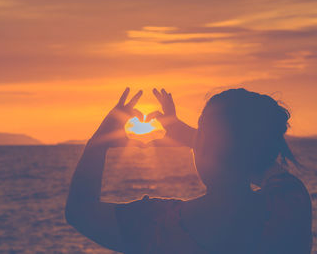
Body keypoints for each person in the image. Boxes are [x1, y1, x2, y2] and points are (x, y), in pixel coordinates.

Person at [65, 87, 312, 253]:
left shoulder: (160, 225)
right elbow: (258, 159)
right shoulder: (290, 202)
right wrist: (191, 134)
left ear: (202, 143)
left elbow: (79, 210)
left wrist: (99, 141)